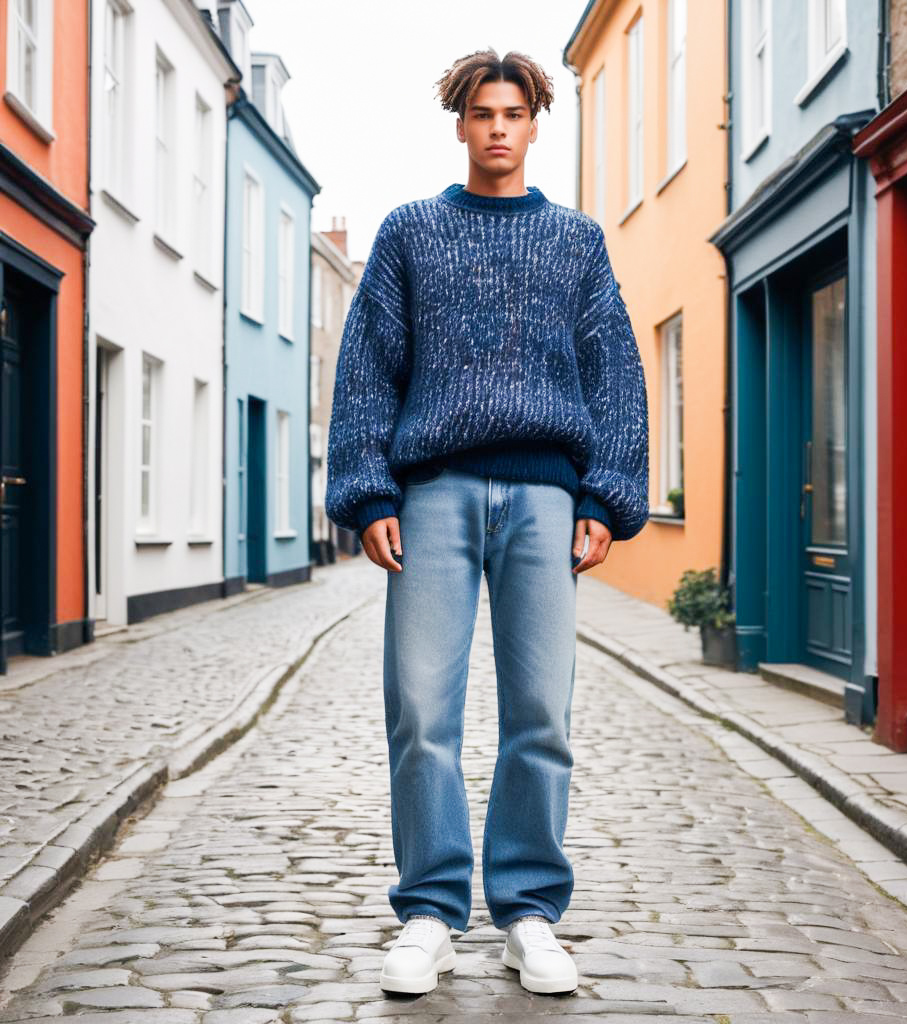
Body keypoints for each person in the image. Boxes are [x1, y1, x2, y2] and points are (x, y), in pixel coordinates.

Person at [325, 47, 649, 996]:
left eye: (514, 112)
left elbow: (617, 374)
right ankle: (428, 911)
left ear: (535, 123)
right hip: (432, 499)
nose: (498, 128)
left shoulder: (576, 243)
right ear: (460, 124)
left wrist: (606, 497)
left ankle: (530, 913)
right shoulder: (411, 233)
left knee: (540, 711)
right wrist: (370, 495)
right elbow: (367, 368)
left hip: (546, 501)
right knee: (421, 710)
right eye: (482, 113)